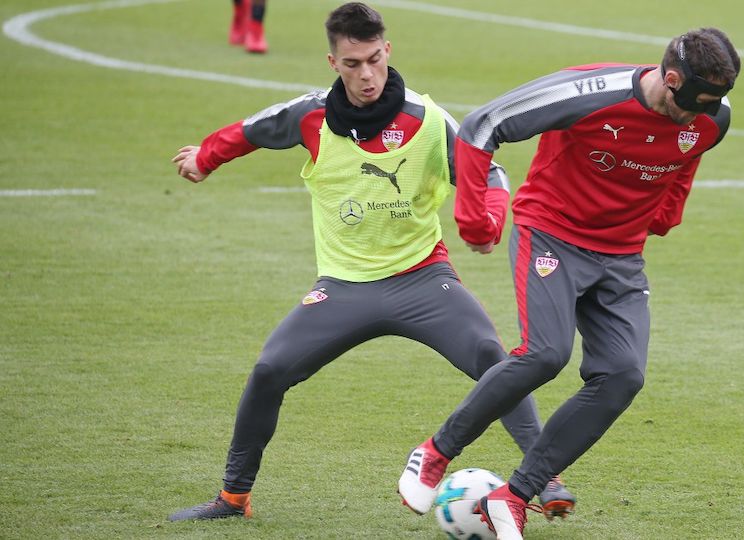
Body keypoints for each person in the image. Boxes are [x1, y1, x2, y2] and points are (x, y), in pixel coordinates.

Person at [166, 2, 575, 522]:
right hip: (343, 288)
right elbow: (252, 129)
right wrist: (205, 157)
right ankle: (232, 499)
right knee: (269, 369)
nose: (367, 75)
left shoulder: (429, 120)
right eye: (353, 63)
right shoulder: (310, 116)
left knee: (495, 360)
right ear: (332, 62)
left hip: (424, 281)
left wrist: (490, 219)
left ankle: (546, 478)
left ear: (389, 52)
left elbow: (489, 173)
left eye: (375, 60)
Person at [398, 28, 741, 538]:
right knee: (546, 354)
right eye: (694, 103)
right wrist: (473, 218)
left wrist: (667, 213)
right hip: (552, 236)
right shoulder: (586, 94)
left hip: (621, 255)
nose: (700, 114)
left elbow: (686, 158)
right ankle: (434, 452)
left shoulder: (713, 118)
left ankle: (512, 497)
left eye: (713, 104)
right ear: (671, 80)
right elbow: (481, 124)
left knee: (623, 376)